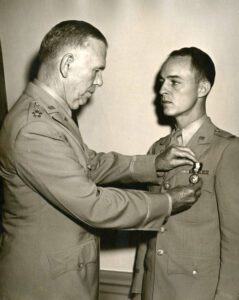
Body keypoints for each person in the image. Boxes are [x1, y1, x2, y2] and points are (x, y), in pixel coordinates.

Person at [0, 21, 201, 300]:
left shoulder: (52, 115)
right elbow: (94, 205)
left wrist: (154, 164)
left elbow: (90, 163)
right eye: (96, 70)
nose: (99, 81)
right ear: (67, 64)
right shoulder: (33, 127)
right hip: (44, 286)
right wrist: (168, 202)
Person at [131, 47, 239, 300]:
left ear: (202, 88)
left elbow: (235, 239)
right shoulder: (158, 150)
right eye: (162, 82)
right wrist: (138, 288)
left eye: (174, 82)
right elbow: (148, 225)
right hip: (153, 288)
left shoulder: (227, 150)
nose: (162, 90)